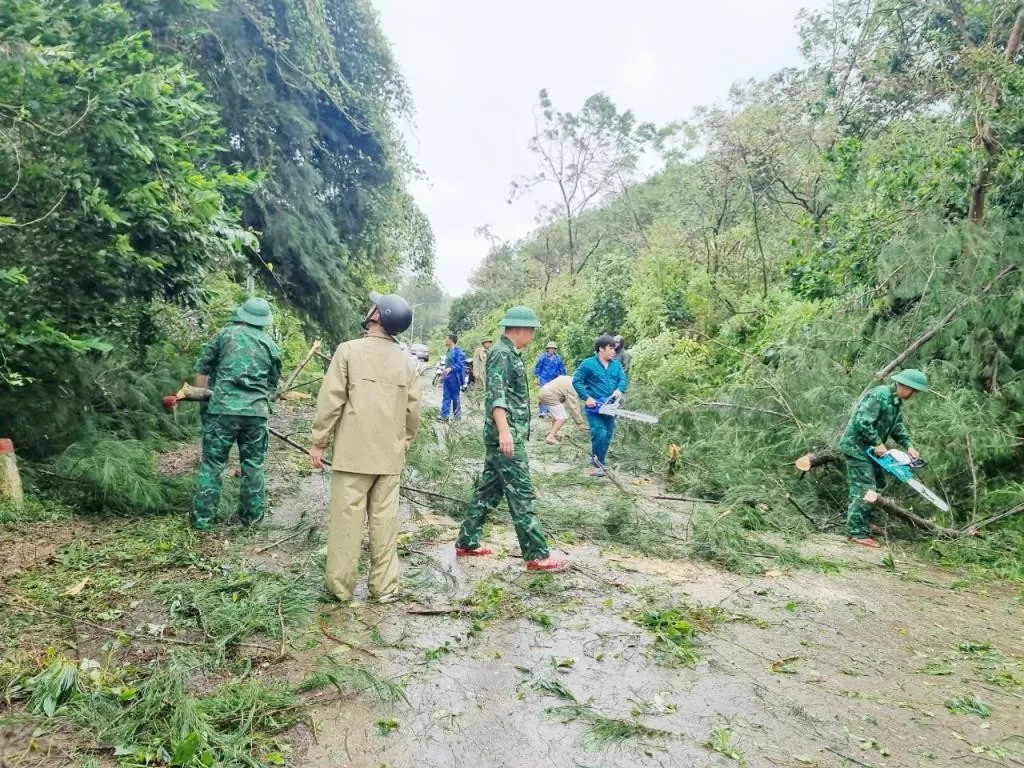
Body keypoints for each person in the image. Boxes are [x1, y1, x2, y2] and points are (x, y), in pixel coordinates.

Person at [309, 292, 421, 603]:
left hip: (352, 457)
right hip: (389, 459)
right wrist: (402, 445)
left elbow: (331, 402)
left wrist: (319, 442)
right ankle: (384, 588)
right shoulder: (407, 363)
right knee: (385, 524)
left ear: (377, 316)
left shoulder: (347, 352)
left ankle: (340, 589)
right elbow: (413, 414)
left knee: (347, 521)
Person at [454, 306, 568, 572]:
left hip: (503, 435)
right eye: (532, 330)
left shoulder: (508, 353)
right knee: (522, 495)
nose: (533, 336)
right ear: (520, 329)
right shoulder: (502, 354)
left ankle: (467, 541)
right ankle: (537, 556)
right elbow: (497, 395)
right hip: (506, 437)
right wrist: (505, 431)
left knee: (488, 492)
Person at [191, 298, 282, 530]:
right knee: (253, 466)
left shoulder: (224, 335)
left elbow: (203, 368)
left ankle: (202, 521)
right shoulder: (270, 345)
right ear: (264, 321)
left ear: (242, 314)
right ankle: (252, 522)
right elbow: (272, 385)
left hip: (222, 410)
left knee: (213, 464)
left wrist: (203, 397)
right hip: (256, 414)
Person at [839, 369, 928, 549]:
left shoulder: (896, 402)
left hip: (871, 451)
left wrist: (909, 445)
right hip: (856, 447)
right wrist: (878, 443)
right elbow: (861, 421)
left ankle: (864, 522)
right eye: (914, 390)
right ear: (904, 386)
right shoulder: (878, 396)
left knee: (878, 485)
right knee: (864, 488)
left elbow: (897, 426)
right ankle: (856, 532)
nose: (915, 395)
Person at [573, 335, 628, 478]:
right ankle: (596, 464)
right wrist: (587, 397)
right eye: (610, 348)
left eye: (614, 348)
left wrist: (619, 390)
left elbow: (623, 379)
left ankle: (600, 463)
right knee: (599, 433)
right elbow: (577, 381)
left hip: (610, 407)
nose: (613, 351)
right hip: (595, 407)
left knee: (608, 434)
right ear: (601, 349)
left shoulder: (616, 365)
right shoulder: (588, 364)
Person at [538, 375, 588, 444]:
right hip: (549, 395)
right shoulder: (573, 386)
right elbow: (574, 406)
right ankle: (550, 436)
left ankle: (554, 434)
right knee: (562, 417)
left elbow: (556, 389)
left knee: (557, 416)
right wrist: (580, 423)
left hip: (543, 391)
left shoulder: (568, 378)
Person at [533, 342, 566, 416]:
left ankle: (549, 410)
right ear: (547, 349)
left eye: (553, 348)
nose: (551, 350)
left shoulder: (558, 358)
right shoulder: (543, 357)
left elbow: (561, 368)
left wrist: (562, 377)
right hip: (544, 378)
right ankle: (542, 411)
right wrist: (536, 377)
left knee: (553, 394)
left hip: (554, 379)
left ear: (555, 350)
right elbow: (538, 367)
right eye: (550, 348)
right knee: (544, 393)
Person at [440, 333, 467, 421]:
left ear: (451, 340)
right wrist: (443, 376)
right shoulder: (448, 351)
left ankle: (457, 417)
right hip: (447, 378)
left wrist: (451, 368)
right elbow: (446, 365)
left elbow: (461, 364)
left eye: (446, 339)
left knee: (455, 397)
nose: (445, 340)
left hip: (455, 378)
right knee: (446, 396)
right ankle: (444, 416)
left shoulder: (459, 351)